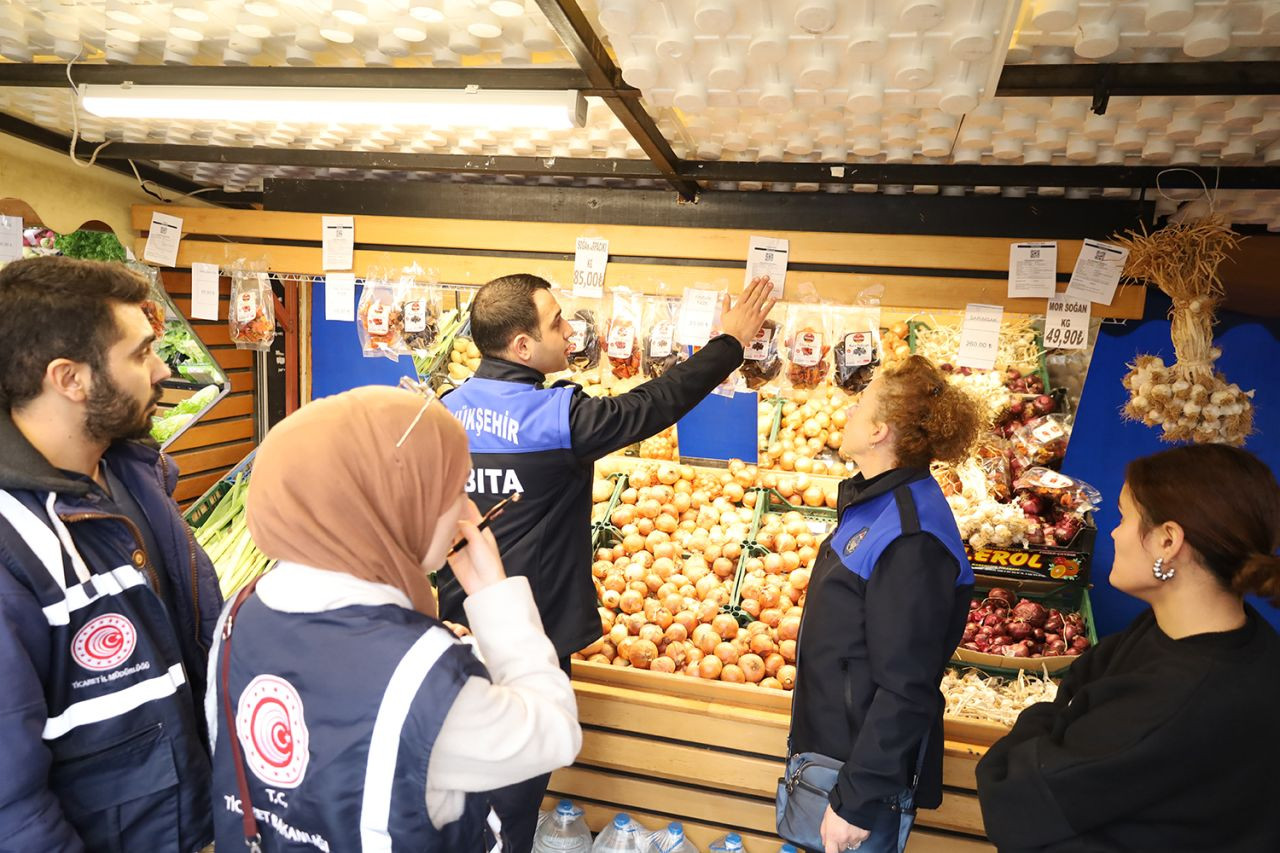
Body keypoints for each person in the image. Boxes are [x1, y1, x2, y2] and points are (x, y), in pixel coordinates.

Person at [438, 274, 775, 852]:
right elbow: (655, 404)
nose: (570, 333)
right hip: (529, 638)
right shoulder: (556, 418)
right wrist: (728, 344)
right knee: (514, 803)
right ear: (522, 346)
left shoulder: (444, 411)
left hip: (453, 631)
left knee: (458, 791)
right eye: (557, 323)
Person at [208, 386, 581, 852]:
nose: (471, 511)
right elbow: (554, 734)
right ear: (394, 501)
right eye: (455, 488)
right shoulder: (425, 681)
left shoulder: (238, 615)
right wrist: (494, 594)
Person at [0, 256, 223, 851]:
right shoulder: (13, 547)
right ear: (70, 378)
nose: (161, 369)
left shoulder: (135, 475)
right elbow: (11, 806)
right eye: (141, 352)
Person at [976, 444, 1280, 852]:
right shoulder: (1210, 634)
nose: (1115, 533)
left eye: (1124, 516)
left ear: (1168, 540)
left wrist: (1045, 721)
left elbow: (1010, 794)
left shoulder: (1176, 702)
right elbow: (1086, 680)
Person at [787, 355, 982, 853]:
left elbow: (907, 686)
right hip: (833, 754)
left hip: (858, 780)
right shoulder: (877, 500)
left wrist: (854, 802)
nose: (849, 412)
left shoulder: (911, 539)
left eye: (861, 406)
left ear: (879, 432)